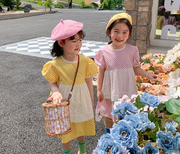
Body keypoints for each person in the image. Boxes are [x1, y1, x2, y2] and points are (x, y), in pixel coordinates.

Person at [94, 13, 157, 133]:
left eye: (124, 32)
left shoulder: (132, 50)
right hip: (110, 89)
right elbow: (101, 72)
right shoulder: (103, 52)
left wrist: (148, 74)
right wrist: (99, 90)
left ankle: (124, 137)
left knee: (126, 114)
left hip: (126, 88)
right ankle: (110, 137)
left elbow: (135, 68)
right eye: (116, 31)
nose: (120, 36)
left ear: (129, 34)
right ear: (109, 31)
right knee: (109, 114)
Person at [42, 19, 98, 154]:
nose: (78, 44)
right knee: (65, 132)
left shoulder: (85, 61)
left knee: (81, 127)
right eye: (73, 41)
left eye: (80, 40)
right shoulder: (55, 64)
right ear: (61, 43)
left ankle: (82, 151)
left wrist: (91, 101)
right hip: (64, 101)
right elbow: (52, 82)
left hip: (82, 99)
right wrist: (55, 92)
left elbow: (88, 81)